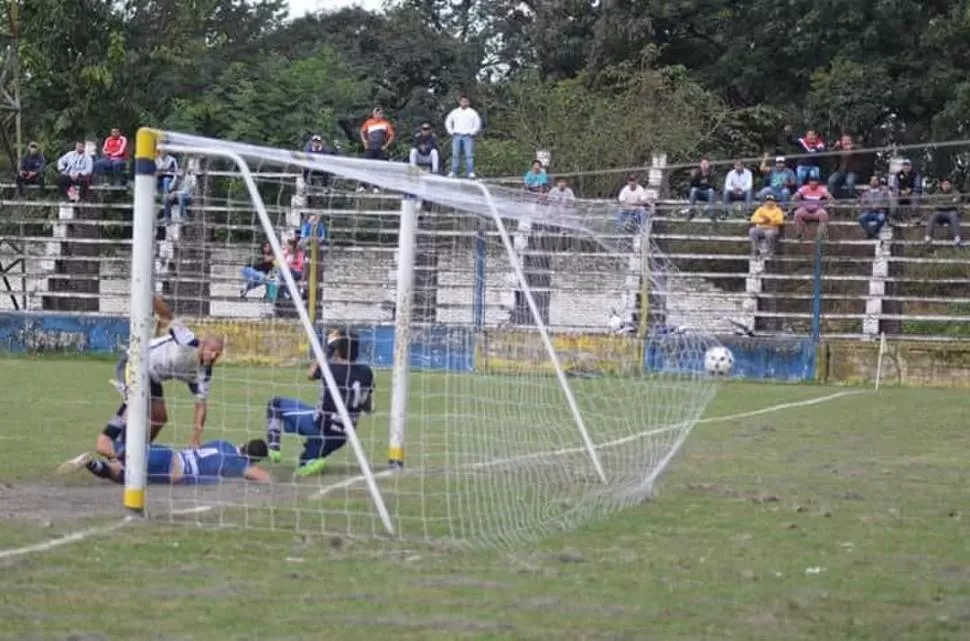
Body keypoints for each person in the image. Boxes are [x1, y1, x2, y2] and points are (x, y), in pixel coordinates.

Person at [264, 329, 374, 478]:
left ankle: (274, 448)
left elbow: (310, 374)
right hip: (342, 436)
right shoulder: (366, 372)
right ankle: (310, 461)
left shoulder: (331, 369)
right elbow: (367, 406)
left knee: (275, 404)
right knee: (304, 460)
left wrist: (328, 350)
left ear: (337, 348)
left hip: (320, 426)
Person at [58, 439, 272, 485]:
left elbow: (195, 448)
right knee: (123, 470)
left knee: (122, 473)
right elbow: (263, 477)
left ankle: (91, 463)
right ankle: (98, 459)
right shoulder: (236, 463)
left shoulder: (223, 444)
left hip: (169, 453)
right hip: (172, 469)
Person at [445, 95, 482, 178]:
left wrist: (472, 132)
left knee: (469, 155)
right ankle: (454, 171)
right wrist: (451, 131)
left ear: (468, 103)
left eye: (466, 101)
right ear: (460, 102)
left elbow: (477, 123)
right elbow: (448, 121)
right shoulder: (455, 112)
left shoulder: (472, 112)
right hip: (457, 135)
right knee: (455, 155)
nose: (464, 103)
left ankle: (470, 172)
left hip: (468, 136)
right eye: (462, 101)